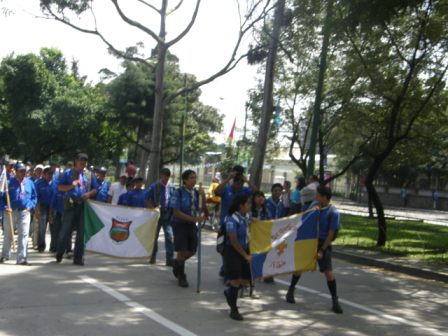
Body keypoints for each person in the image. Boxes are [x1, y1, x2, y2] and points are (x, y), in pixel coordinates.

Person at [285, 185, 343, 314]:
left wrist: (322, 250)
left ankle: (335, 300)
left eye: (317, 195)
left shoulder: (333, 212)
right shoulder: (315, 206)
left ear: (324, 197)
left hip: (323, 243)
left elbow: (331, 234)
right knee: (300, 267)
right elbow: (304, 218)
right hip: (311, 240)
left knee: (328, 272)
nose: (315, 197)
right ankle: (290, 291)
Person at [56, 153, 98, 266]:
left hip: (83, 205)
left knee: (81, 234)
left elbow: (95, 189)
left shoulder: (89, 175)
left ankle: (78, 258)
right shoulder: (67, 173)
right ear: (76, 161)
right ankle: (60, 251)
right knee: (65, 231)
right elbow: (60, 187)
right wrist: (71, 186)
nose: (83, 162)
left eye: (85, 160)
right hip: (70, 204)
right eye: (81, 160)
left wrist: (88, 194)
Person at [215, 165, 257, 277]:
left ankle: (228, 268)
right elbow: (217, 191)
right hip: (225, 223)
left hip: (240, 223)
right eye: (237, 182)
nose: (238, 185)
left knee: (238, 245)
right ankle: (226, 267)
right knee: (226, 247)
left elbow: (256, 192)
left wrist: (246, 180)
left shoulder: (244, 190)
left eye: (240, 182)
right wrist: (228, 179)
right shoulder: (227, 188)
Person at [170, 169, 205, 288]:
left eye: (195, 177)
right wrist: (193, 219)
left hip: (191, 225)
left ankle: (177, 263)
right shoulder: (178, 192)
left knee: (192, 250)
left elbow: (202, 208)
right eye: (191, 177)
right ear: (185, 180)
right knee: (182, 249)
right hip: (180, 224)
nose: (194, 180)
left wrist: (203, 196)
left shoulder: (196, 193)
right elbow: (176, 212)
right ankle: (181, 276)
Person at [0, 163, 37, 265]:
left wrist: (31, 205)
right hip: (11, 212)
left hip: (25, 212)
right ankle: (5, 255)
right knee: (8, 234)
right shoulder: (8, 183)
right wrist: (5, 207)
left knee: (24, 234)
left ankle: (22, 258)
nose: (23, 173)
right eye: (20, 171)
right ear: (15, 172)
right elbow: (1, 198)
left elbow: (34, 196)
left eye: (24, 171)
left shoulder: (30, 183)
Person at [223, 194, 252, 321]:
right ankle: (233, 310)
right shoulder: (231, 219)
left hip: (244, 249)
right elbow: (233, 240)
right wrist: (245, 255)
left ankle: (229, 293)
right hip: (232, 251)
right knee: (235, 281)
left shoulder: (245, 217)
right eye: (248, 203)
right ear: (241, 205)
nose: (250, 205)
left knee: (245, 280)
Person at [146, 168, 175, 266]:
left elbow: (174, 199)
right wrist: (152, 210)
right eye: (164, 175)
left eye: (167, 176)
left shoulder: (172, 186)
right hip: (157, 212)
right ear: (161, 175)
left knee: (169, 236)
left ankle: (170, 259)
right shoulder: (154, 186)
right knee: (154, 236)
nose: (165, 178)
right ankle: (152, 256)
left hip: (168, 213)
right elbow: (147, 198)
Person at [34, 167, 54, 252]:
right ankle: (41, 245)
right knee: (42, 228)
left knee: (53, 228)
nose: (50, 176)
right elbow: (36, 198)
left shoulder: (54, 183)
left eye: (51, 174)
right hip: (42, 207)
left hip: (53, 207)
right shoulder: (38, 183)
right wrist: (37, 210)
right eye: (48, 174)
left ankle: (53, 246)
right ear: (44, 174)